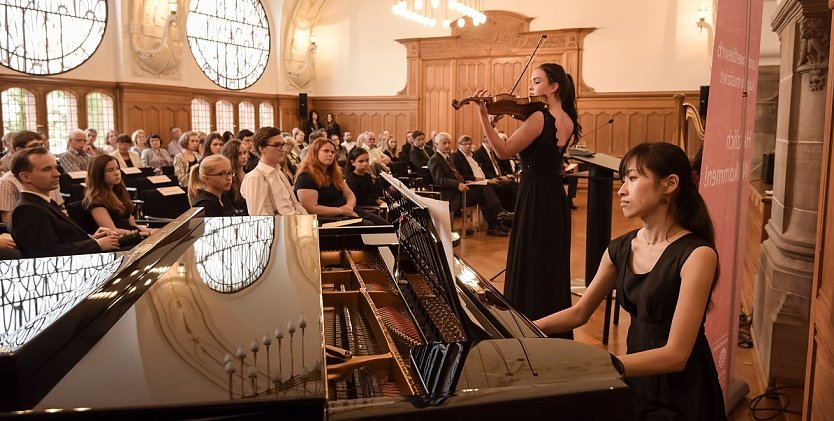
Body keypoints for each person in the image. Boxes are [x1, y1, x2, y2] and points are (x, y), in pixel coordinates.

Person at [535, 142, 724, 420]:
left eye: (633, 178)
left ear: (670, 184)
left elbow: (676, 355)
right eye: (623, 179)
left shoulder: (697, 254)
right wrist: (524, 328)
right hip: (636, 378)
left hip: (682, 393)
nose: (622, 190)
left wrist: (596, 365)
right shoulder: (620, 248)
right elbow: (579, 312)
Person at [475, 63, 581, 330]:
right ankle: (550, 324)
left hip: (534, 193)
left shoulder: (539, 118)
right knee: (549, 261)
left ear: (553, 87)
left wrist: (483, 117)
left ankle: (526, 323)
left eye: (536, 81)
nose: (530, 87)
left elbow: (503, 151)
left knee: (531, 258)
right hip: (554, 195)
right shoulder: (568, 119)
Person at [9, 147, 120, 257]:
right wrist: (96, 244)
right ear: (25, 177)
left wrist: (92, 239)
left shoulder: (44, 202)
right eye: (47, 169)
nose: (57, 173)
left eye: (55, 167)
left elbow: (64, 240)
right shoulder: (27, 210)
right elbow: (47, 254)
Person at [429, 132, 512, 236]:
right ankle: (496, 219)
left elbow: (457, 175)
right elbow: (439, 180)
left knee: (484, 190)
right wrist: (458, 184)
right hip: (450, 194)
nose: (447, 146)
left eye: (449, 143)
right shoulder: (435, 159)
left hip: (459, 190)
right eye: (444, 143)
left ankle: (495, 224)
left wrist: (469, 181)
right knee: (483, 192)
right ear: (436, 144)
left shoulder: (446, 157)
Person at [295, 138, 387, 225]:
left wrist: (349, 206)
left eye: (332, 152)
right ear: (315, 153)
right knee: (371, 227)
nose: (330, 154)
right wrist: (341, 210)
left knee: (385, 225)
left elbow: (349, 195)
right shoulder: (305, 177)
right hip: (328, 219)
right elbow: (311, 208)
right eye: (326, 151)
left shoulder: (333, 174)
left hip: (346, 212)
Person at [0, 131, 64, 224]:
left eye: (41, 145)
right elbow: (9, 221)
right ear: (19, 150)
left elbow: (59, 207)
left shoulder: (50, 177)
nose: (40, 150)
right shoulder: (7, 181)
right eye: (34, 146)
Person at [240, 127, 307, 216]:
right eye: (276, 145)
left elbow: (295, 204)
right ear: (261, 148)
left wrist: (308, 220)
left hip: (295, 220)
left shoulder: (279, 172)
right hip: (279, 223)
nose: (283, 149)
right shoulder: (255, 177)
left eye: (283, 145)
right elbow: (258, 216)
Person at [83, 155, 150, 238]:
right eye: (110, 170)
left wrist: (151, 231)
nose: (116, 173)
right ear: (98, 174)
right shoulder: (95, 201)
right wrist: (145, 233)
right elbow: (112, 231)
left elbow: (133, 225)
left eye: (117, 168)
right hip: (119, 241)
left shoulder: (119, 194)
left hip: (133, 237)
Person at [220, 139, 248, 214]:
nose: (244, 157)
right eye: (239, 154)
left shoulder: (249, 174)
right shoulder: (229, 178)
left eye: (245, 153)